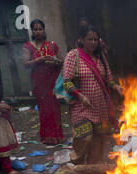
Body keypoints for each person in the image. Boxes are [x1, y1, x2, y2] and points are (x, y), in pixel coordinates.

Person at [62, 24, 122, 164]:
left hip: (100, 107)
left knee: (98, 142)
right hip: (81, 106)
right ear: (82, 39)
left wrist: (115, 86)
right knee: (85, 137)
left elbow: (108, 78)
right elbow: (66, 82)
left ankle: (92, 172)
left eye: (96, 39)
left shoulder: (100, 57)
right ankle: (77, 163)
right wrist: (80, 95)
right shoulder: (73, 56)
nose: (93, 42)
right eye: (90, 39)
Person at [23, 19, 64, 145]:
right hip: (39, 83)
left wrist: (54, 61)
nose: (38, 32)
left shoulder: (52, 45)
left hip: (52, 80)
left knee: (55, 108)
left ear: (44, 30)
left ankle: (58, 136)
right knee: (44, 109)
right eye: (35, 29)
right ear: (32, 31)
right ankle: (47, 137)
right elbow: (25, 63)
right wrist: (39, 60)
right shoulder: (28, 46)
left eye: (40, 29)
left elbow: (62, 61)